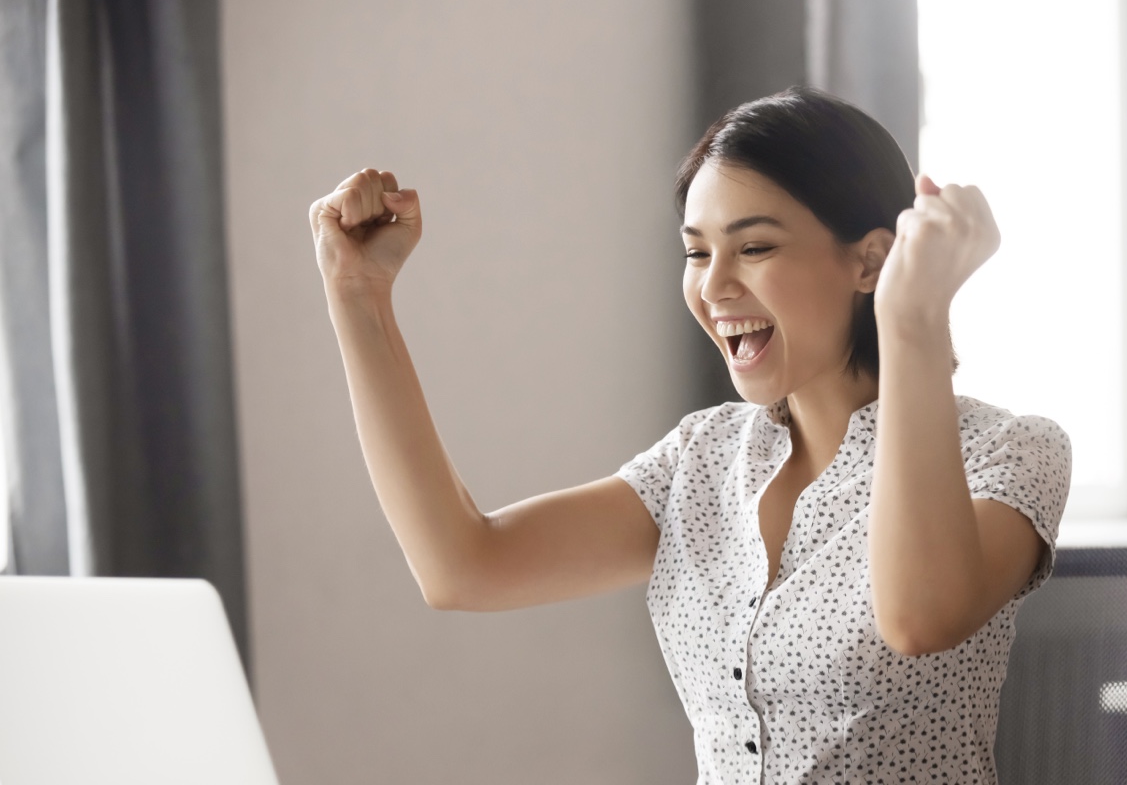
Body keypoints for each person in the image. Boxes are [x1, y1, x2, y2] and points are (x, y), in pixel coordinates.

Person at [308, 85, 1072, 784]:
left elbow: (920, 616)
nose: (713, 286)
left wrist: (914, 318)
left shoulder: (1011, 452)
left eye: (756, 247)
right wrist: (358, 296)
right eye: (697, 251)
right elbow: (462, 566)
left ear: (871, 260)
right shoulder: (703, 459)